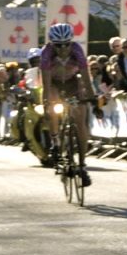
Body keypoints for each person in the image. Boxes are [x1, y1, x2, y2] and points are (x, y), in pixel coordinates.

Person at [39, 23, 96, 186]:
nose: (63, 49)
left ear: (71, 42)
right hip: (55, 84)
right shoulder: (46, 53)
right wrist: (46, 104)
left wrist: (91, 98)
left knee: (80, 122)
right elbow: (47, 84)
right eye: (58, 45)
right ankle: (56, 142)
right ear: (52, 44)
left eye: (66, 44)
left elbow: (86, 77)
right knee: (53, 106)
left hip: (72, 83)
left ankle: (83, 165)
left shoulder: (77, 50)